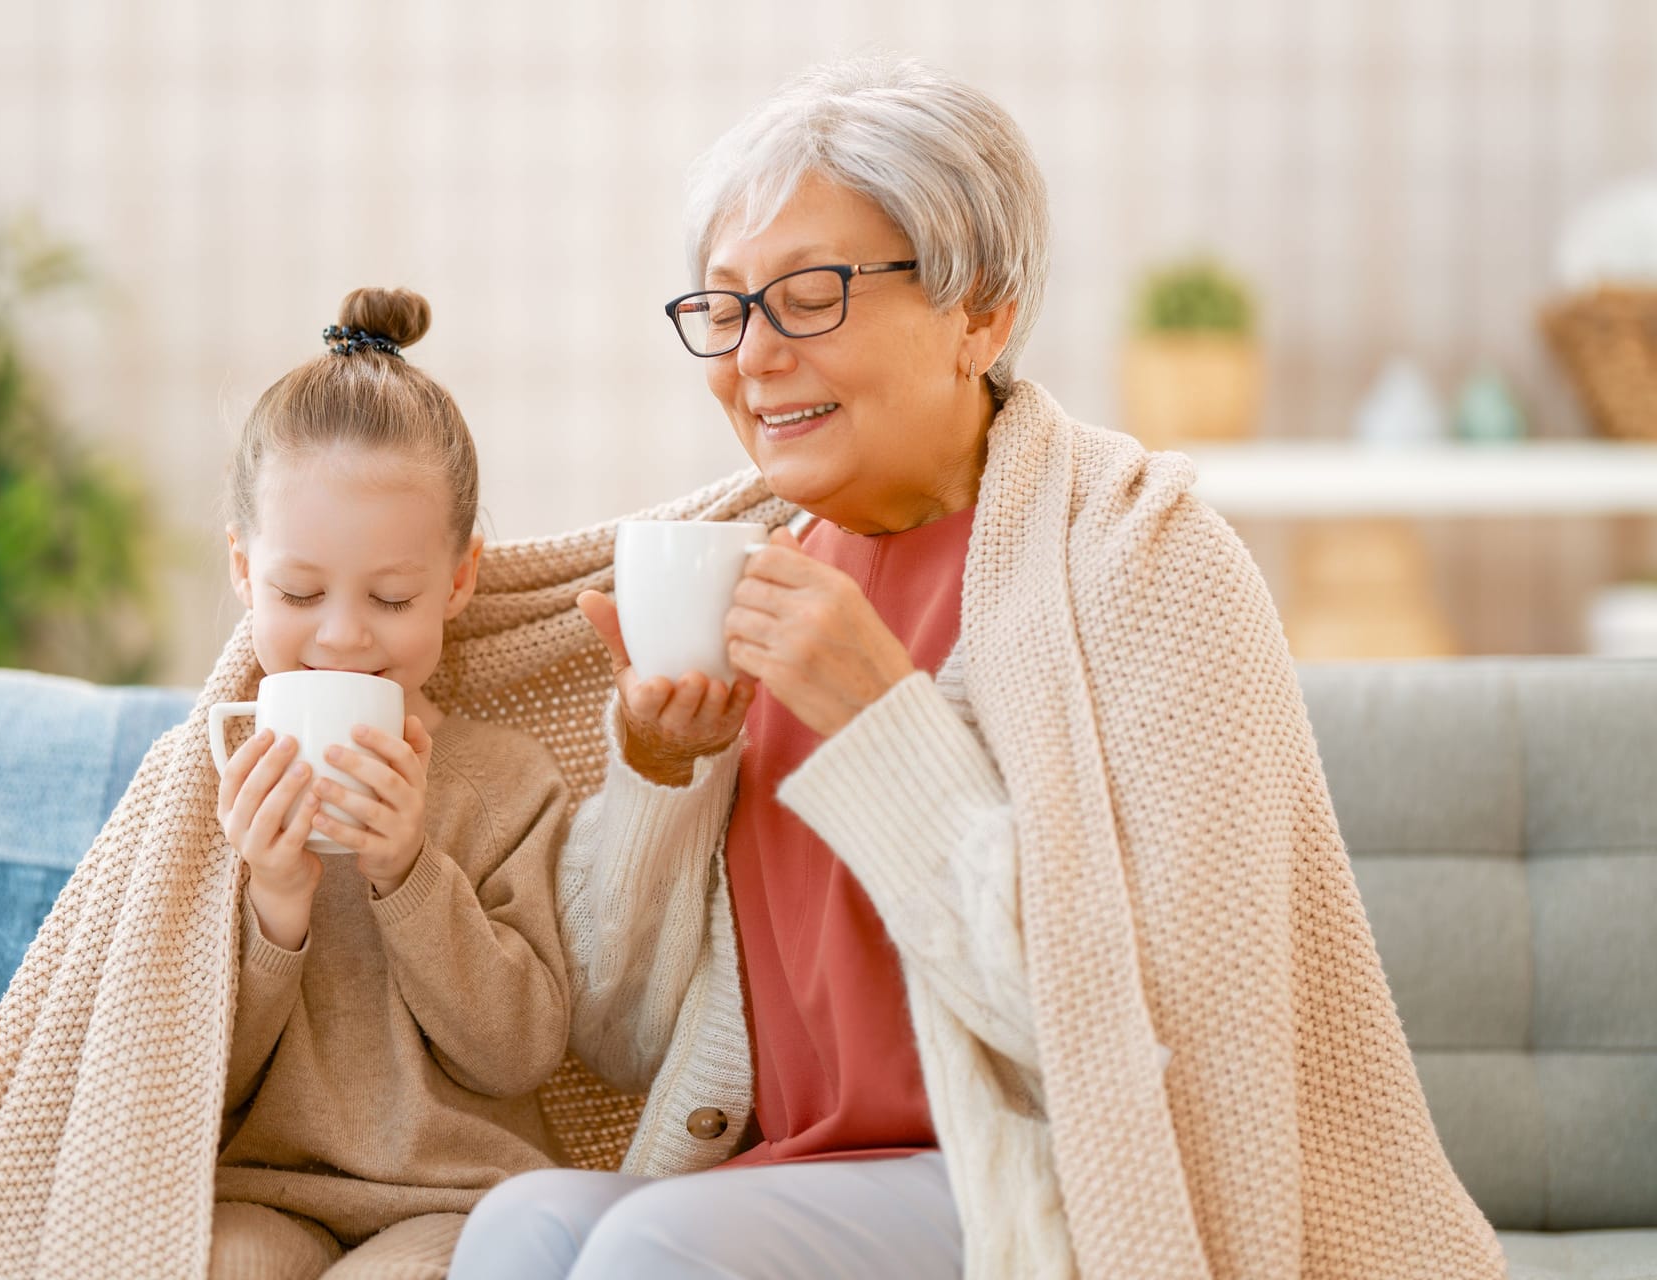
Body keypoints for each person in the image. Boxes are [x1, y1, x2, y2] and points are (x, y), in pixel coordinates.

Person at [449, 55, 1505, 1280]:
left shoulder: (1139, 557)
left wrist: (876, 716)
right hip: (798, 1180)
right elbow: (622, 1038)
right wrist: (661, 771)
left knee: (654, 1248)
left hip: (1071, 1180)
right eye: (726, 307)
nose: (752, 356)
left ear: (983, 313)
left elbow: (1153, 1036)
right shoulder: (745, 570)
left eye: (808, 294)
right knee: (521, 1228)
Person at [210, 287, 571, 1279]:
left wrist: (408, 869)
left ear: (459, 581)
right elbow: (180, 1072)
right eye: (298, 591)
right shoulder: (209, 785)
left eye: (393, 595)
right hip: (257, 1189)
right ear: (243, 571)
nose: (342, 633)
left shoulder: (507, 783)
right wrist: (276, 911)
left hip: (454, 1199)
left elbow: (518, 1048)